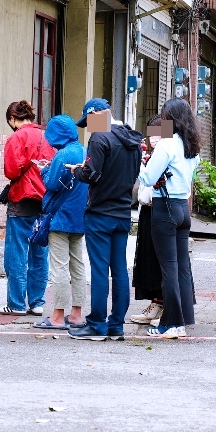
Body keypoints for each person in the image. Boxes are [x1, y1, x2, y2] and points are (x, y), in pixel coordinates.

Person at [68, 98, 143, 342]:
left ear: (97, 115)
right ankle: (116, 325)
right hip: (123, 212)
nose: (88, 126)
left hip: (100, 214)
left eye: (88, 121)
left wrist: (77, 171)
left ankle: (97, 324)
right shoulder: (132, 138)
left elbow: (93, 174)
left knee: (100, 270)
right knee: (119, 269)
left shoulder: (100, 137)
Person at [138, 99, 202, 339]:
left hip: (164, 209)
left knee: (169, 269)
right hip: (182, 208)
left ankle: (172, 323)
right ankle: (184, 318)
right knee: (182, 267)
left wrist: (139, 164)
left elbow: (147, 178)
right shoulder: (191, 146)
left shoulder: (166, 145)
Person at [0, 100, 55, 316]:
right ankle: (37, 302)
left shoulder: (16, 137)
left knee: (17, 254)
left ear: (12, 118)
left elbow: (11, 172)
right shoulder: (47, 136)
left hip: (22, 199)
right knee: (40, 252)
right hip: (45, 199)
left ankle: (16, 303)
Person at [33, 114, 89, 330]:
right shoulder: (84, 151)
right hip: (79, 216)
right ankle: (77, 314)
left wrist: (44, 170)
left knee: (59, 268)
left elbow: (52, 184)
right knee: (78, 266)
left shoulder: (62, 153)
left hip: (59, 217)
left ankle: (57, 316)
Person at [130, 116, 164, 326]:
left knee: (159, 259)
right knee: (147, 258)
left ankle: (163, 304)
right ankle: (155, 302)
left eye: (156, 133)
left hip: (160, 208)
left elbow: (150, 180)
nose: (152, 138)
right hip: (147, 209)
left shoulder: (167, 151)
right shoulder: (152, 155)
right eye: (150, 133)